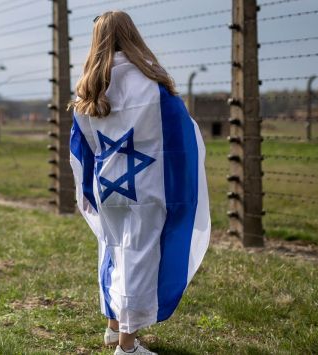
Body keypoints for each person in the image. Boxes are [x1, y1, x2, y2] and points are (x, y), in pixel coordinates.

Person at [69, 11, 210, 355]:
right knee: (139, 260)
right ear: (132, 36)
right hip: (147, 190)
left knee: (113, 252)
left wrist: (88, 190)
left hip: (108, 189)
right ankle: (127, 349)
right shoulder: (152, 85)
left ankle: (113, 327)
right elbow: (179, 138)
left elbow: (81, 148)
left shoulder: (89, 90)